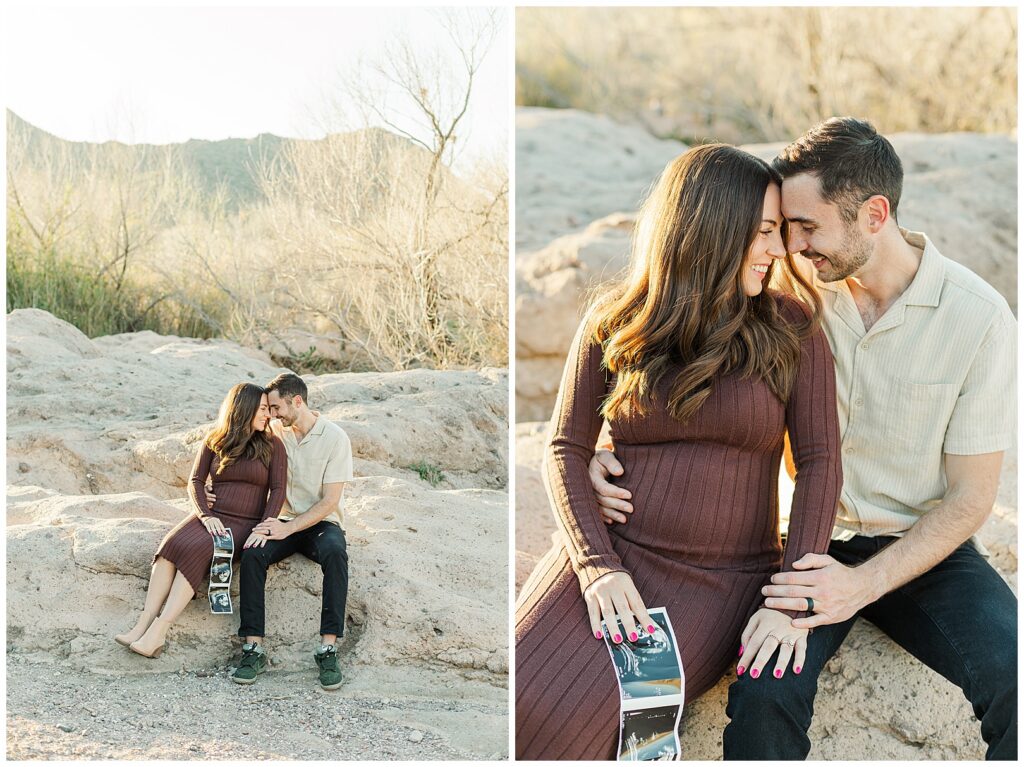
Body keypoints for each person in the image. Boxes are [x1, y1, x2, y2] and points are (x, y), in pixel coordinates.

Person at [589, 118, 1017, 760]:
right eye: (785, 226)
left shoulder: (978, 319)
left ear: (874, 214)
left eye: (807, 227)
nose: (791, 244)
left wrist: (859, 588)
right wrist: (604, 450)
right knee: (765, 693)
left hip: (924, 553)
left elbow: (970, 500)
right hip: (806, 545)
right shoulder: (787, 291)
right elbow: (669, 360)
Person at [514, 143, 843, 760]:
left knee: (602, 721)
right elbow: (563, 448)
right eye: (766, 232)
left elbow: (822, 462)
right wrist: (595, 567)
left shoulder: (792, 327)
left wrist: (790, 600)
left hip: (718, 583)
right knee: (519, 696)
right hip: (611, 558)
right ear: (713, 231)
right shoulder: (616, 320)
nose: (780, 250)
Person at [114, 382, 287, 658]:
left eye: (268, 409)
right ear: (244, 409)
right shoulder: (215, 439)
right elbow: (195, 481)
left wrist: (264, 527)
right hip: (213, 516)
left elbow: (278, 490)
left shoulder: (272, 445)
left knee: (198, 549)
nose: (268, 415)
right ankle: (142, 623)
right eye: (263, 409)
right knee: (171, 545)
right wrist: (205, 515)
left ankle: (159, 631)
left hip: (245, 522)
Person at [216, 372, 354, 690]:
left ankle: (328, 648)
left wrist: (288, 528)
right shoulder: (277, 431)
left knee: (336, 553)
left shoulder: (335, 438)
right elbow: (231, 448)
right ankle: (253, 648)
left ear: (297, 401)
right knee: (253, 553)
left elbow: (331, 500)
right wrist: (213, 490)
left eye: (276, 407)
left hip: (321, 523)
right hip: (282, 521)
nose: (272, 414)